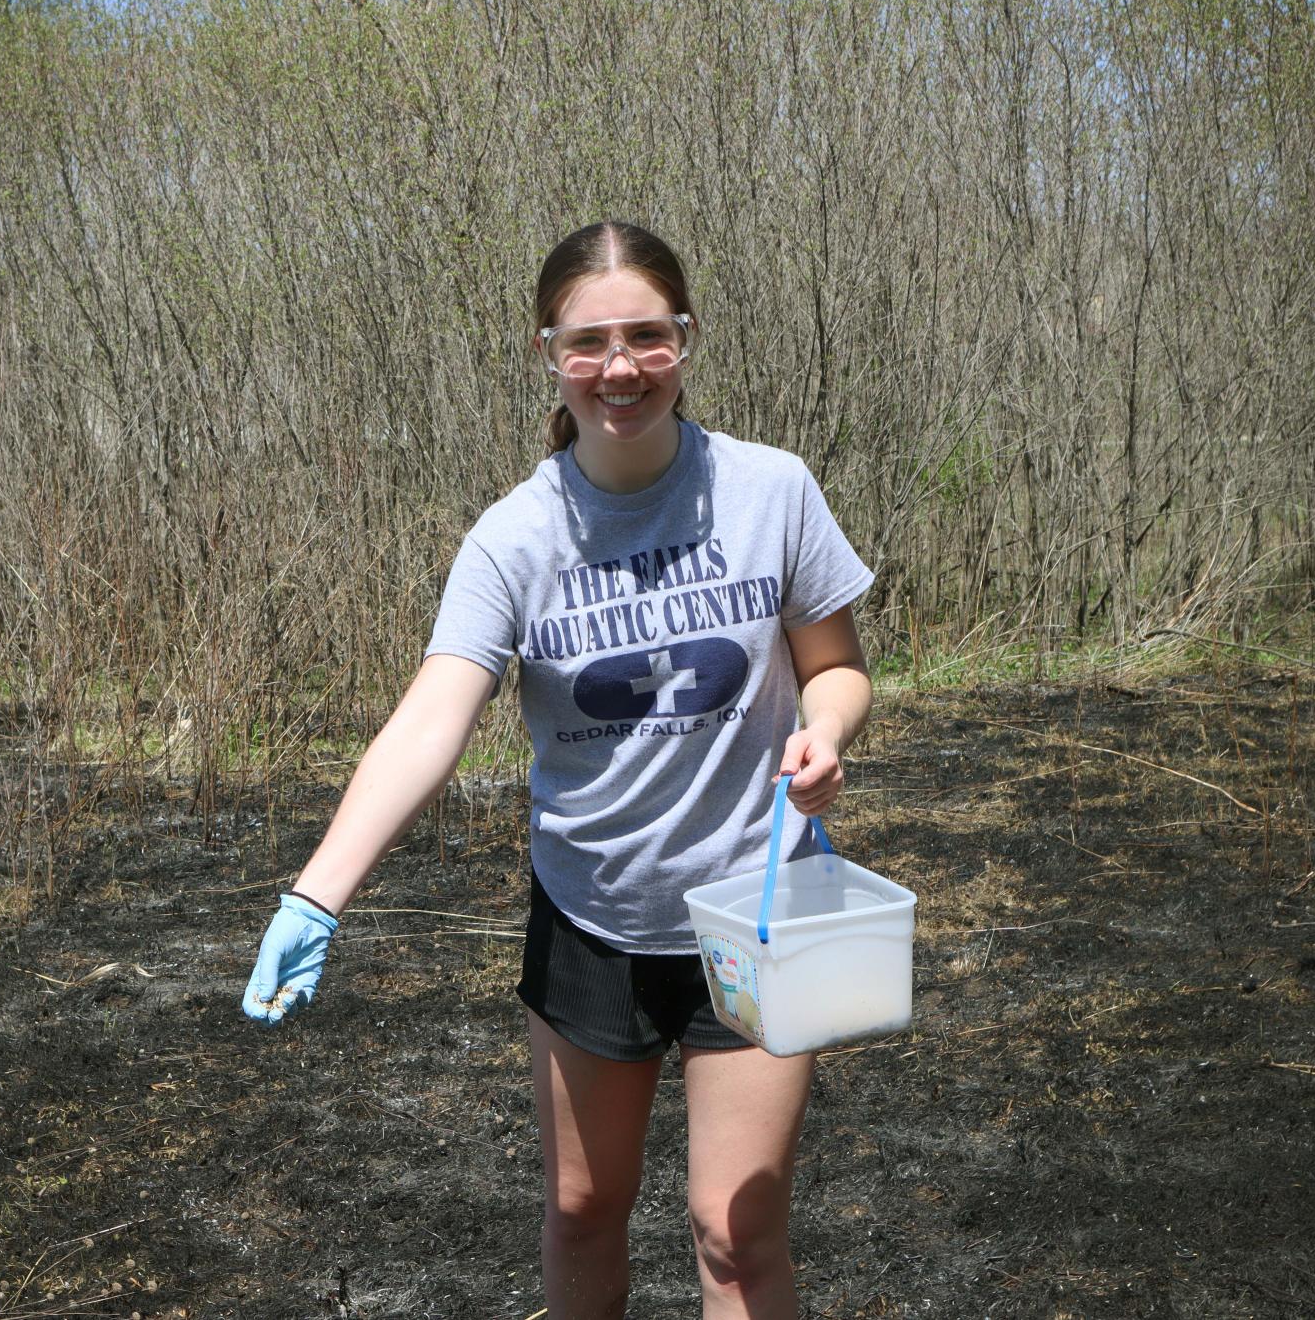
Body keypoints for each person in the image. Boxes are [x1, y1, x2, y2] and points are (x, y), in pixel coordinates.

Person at [242, 221, 874, 1319]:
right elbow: (430, 719)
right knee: (583, 1206)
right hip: (591, 920)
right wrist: (316, 892)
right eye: (588, 342)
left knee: (736, 1231)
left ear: (683, 338)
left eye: (644, 335)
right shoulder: (512, 540)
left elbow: (837, 669)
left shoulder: (771, 491)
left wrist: (825, 733)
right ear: (547, 353)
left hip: (762, 901)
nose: (618, 368)